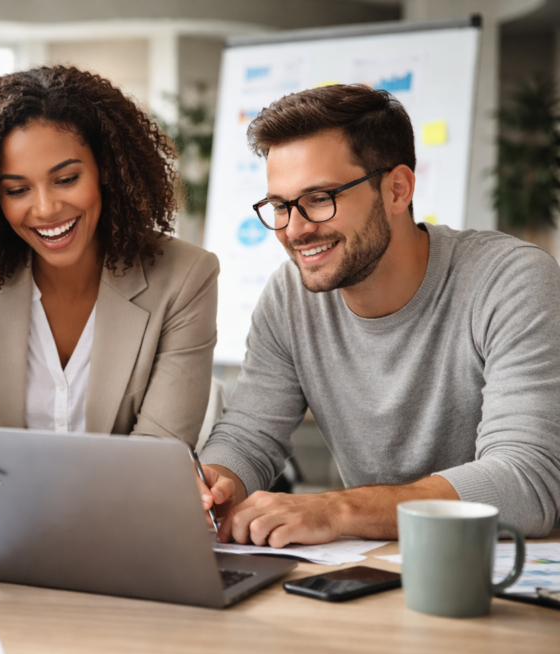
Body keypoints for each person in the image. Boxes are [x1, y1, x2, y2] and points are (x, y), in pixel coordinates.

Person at [197, 84, 560, 547]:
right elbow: (248, 439)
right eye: (280, 206)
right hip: (375, 566)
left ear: (397, 189)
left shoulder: (510, 280)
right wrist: (215, 483)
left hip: (511, 570)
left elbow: (525, 482)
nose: (295, 229)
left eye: (319, 198)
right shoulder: (289, 296)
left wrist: (338, 508)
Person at [0, 66, 219, 447]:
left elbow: (157, 460)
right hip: (5, 509)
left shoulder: (184, 277)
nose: (45, 209)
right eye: (16, 190)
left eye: (66, 180)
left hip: (126, 509)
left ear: (107, 170)